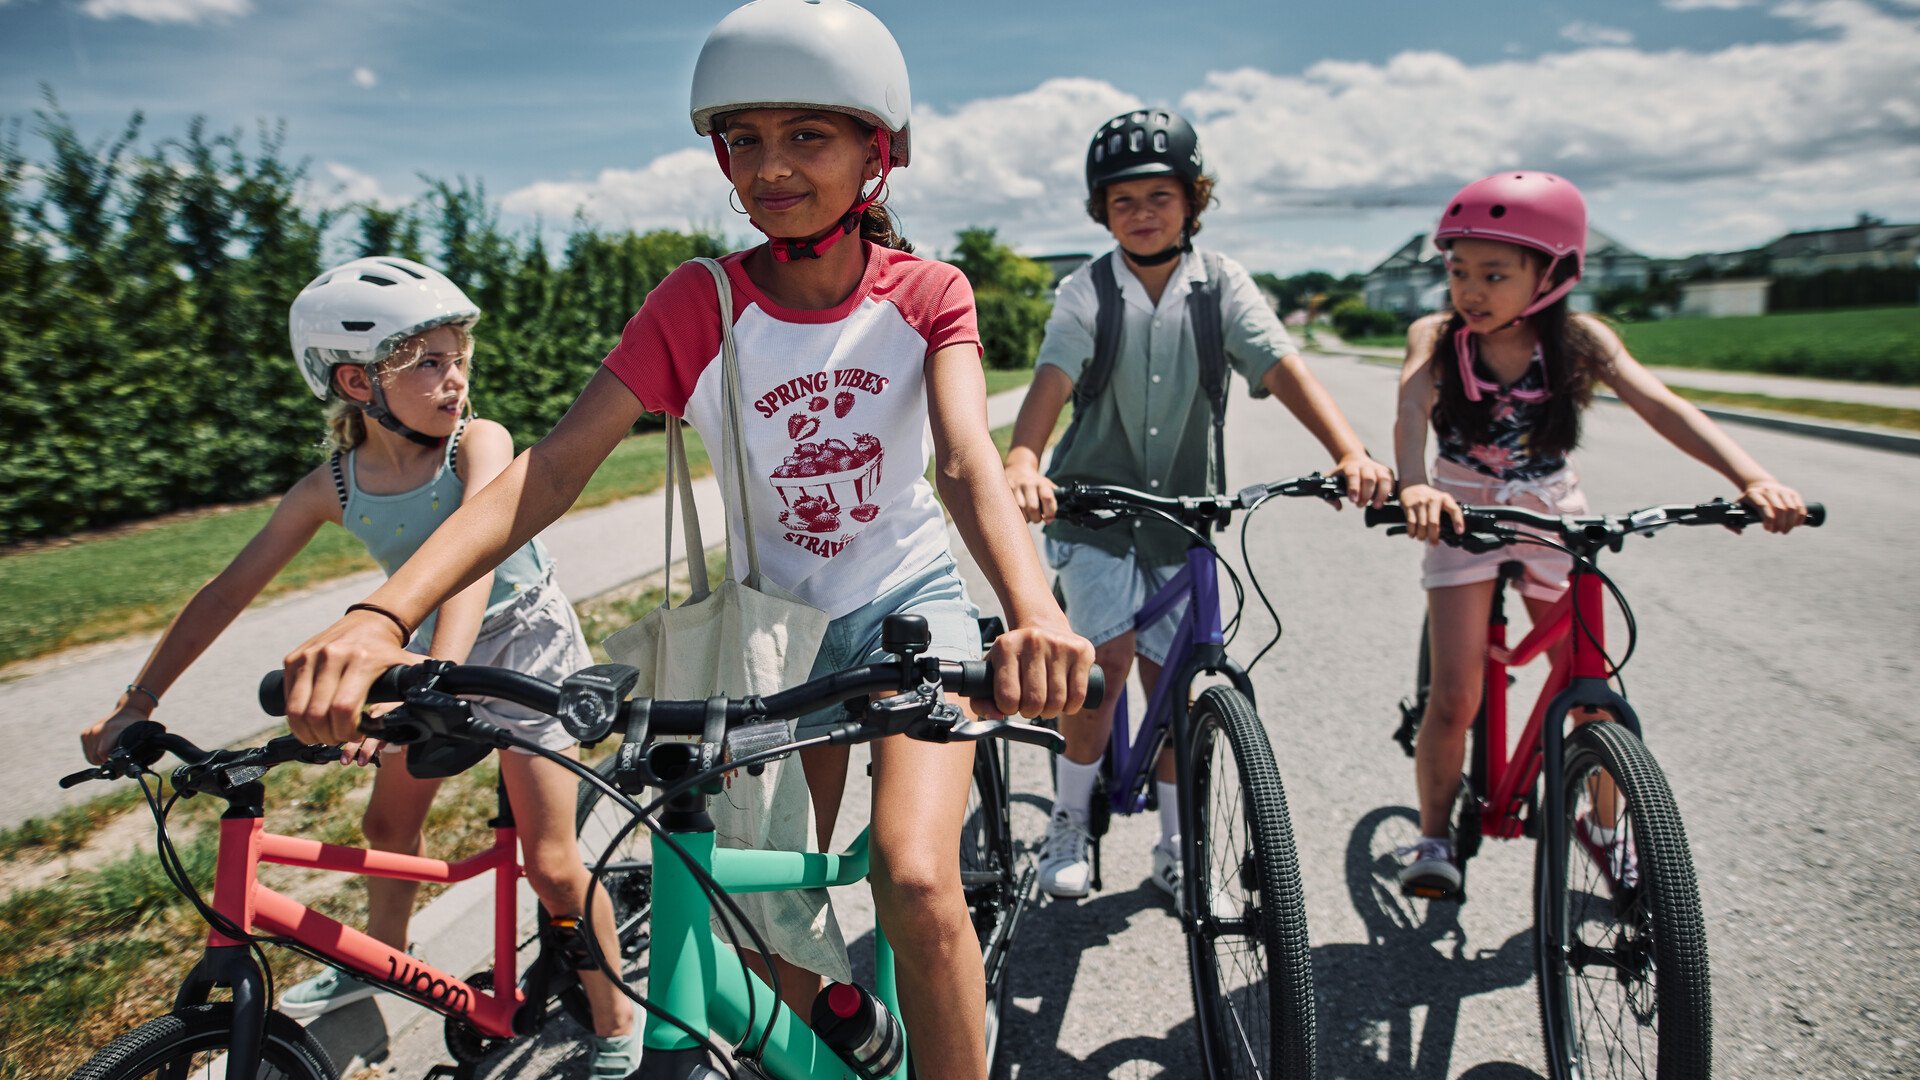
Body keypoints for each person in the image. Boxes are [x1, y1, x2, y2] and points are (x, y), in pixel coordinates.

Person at [273, 4, 1093, 1077]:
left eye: (808, 134)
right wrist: (380, 615)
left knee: (915, 875)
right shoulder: (698, 302)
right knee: (748, 916)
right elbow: (551, 470)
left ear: (874, 152)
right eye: (743, 138)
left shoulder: (928, 292)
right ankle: (851, 1020)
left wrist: (1032, 614)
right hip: (773, 635)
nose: (770, 165)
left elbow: (965, 463)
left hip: (909, 610)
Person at [77, 257, 639, 1075]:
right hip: (419, 657)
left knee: (551, 863)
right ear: (356, 380)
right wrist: (138, 699)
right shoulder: (334, 485)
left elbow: (475, 563)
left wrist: (433, 673)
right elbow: (227, 589)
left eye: (459, 359)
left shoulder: (477, 444)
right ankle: (380, 953)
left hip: (520, 641)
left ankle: (616, 1015)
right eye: (429, 364)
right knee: (386, 827)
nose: (456, 380)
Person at [1003, 108, 1393, 901]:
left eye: (1159, 197)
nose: (1142, 214)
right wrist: (1022, 457)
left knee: (1176, 685)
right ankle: (1070, 820)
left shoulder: (1222, 287)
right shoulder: (1088, 290)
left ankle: (1179, 846)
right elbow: (1054, 374)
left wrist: (1347, 452)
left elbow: (1282, 367)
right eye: (1123, 202)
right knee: (1101, 671)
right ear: (1100, 212)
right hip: (1097, 513)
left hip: (1184, 520)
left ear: (1192, 201)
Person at [1391, 171, 1808, 897]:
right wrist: (1413, 483)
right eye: (1459, 271)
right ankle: (1432, 836)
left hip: (1553, 516)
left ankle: (1605, 829)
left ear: (1551, 276)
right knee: (1455, 696)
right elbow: (1410, 409)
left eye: (1495, 274)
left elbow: (1663, 406)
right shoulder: (1437, 337)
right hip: (1462, 518)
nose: (1470, 291)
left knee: (1594, 691)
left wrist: (1752, 478)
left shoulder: (1578, 341)